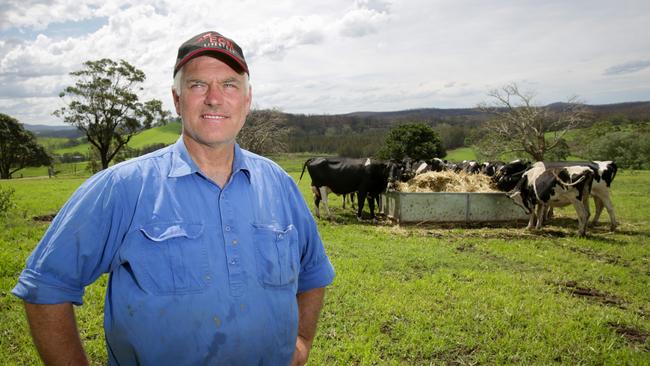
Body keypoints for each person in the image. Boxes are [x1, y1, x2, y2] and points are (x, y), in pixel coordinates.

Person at [12, 31, 335, 366]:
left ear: (247, 99)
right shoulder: (123, 187)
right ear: (177, 99)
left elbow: (312, 271)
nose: (214, 98)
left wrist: (301, 342)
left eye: (229, 84)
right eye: (197, 85)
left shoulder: (278, 184)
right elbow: (45, 286)